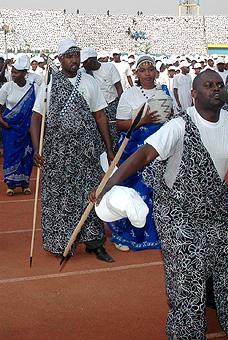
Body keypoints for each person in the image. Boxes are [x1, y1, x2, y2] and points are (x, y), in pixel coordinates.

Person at [90, 69, 228, 339]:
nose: (216, 89)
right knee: (189, 265)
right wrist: (109, 183)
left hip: (216, 209)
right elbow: (145, 153)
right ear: (194, 94)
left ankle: (224, 306)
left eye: (219, 84)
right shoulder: (179, 125)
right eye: (208, 85)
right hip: (177, 209)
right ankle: (187, 328)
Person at [30, 39, 115, 262]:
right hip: (57, 155)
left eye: (76, 55)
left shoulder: (89, 82)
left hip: (86, 153)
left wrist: (108, 147)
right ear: (60, 60)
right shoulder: (49, 85)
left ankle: (95, 244)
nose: (75, 60)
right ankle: (62, 243)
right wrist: (36, 148)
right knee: (59, 199)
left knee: (90, 195)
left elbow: (100, 115)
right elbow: (36, 118)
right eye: (69, 56)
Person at [109, 55, 173, 252]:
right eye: (143, 70)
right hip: (134, 149)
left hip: (160, 149)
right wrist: (143, 120)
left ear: (156, 72)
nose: (147, 73)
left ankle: (158, 234)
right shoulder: (129, 95)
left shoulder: (164, 92)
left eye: (151, 69)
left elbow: (172, 118)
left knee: (158, 192)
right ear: (136, 73)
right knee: (133, 192)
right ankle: (125, 235)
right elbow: (120, 124)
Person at [0, 55, 39, 196]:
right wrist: (1, 120)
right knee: (11, 154)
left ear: (24, 73)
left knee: (27, 154)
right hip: (11, 128)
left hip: (27, 128)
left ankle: (25, 183)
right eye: (12, 71)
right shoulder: (7, 86)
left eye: (16, 72)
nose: (13, 74)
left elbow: (37, 109)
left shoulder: (34, 88)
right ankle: (10, 184)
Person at [81, 47, 123, 150]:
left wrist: (121, 108)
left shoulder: (109, 67)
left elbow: (119, 88)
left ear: (91, 60)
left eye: (84, 62)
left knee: (114, 136)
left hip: (112, 106)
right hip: (96, 110)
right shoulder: (83, 72)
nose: (83, 65)